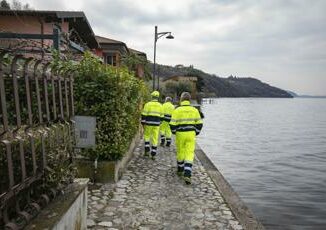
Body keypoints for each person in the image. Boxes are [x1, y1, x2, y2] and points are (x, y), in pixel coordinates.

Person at [170, 92, 203, 184]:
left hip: (180, 133)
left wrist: (174, 132)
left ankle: (180, 170)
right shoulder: (194, 110)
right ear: (189, 99)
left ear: (181, 99)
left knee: (181, 151)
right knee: (189, 152)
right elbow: (200, 123)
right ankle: (187, 173)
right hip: (191, 133)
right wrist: (196, 132)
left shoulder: (177, 110)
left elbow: (172, 124)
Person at [141, 91, 163, 160]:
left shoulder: (147, 104)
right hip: (156, 124)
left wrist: (143, 123)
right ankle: (153, 154)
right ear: (158, 97)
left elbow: (144, 114)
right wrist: (160, 123)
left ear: (152, 96)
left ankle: (147, 151)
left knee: (147, 136)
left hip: (148, 123)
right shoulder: (160, 105)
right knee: (155, 138)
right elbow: (162, 116)